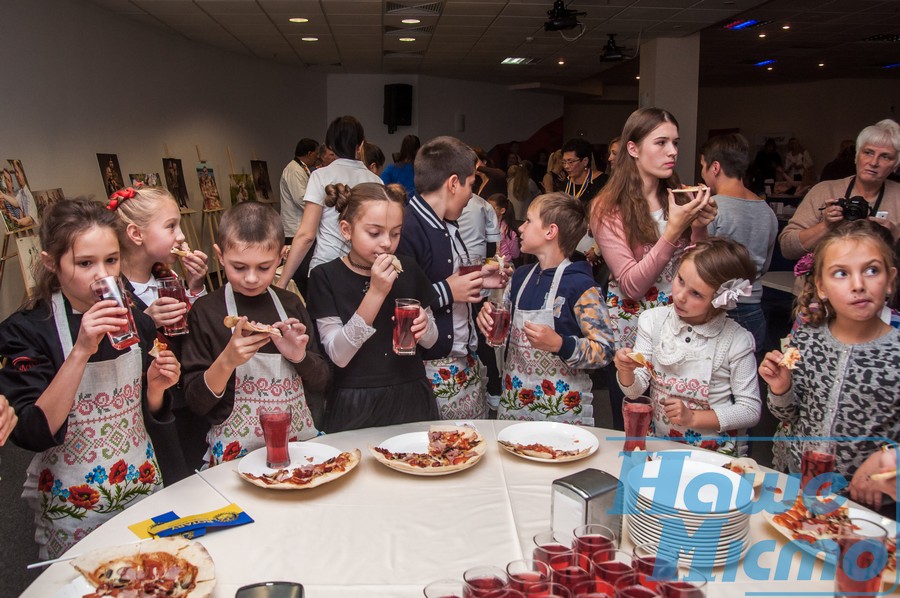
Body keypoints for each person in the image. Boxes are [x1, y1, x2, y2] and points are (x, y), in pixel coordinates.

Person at [0, 199, 179, 559]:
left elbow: (147, 411)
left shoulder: (138, 320)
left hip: (142, 483)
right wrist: (80, 350)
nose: (104, 276)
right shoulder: (25, 331)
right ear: (52, 263)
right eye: (85, 263)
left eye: (111, 260)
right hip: (75, 500)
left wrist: (158, 388)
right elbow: (33, 431)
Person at [591, 107, 716, 430]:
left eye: (675, 142)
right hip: (633, 336)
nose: (672, 151)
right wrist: (674, 230)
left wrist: (699, 227)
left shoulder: (678, 197)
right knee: (636, 427)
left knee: (680, 423)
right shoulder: (608, 207)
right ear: (633, 149)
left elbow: (699, 270)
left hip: (682, 327)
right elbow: (632, 285)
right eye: (661, 142)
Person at [182, 202, 330, 467]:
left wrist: (300, 357)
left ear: (282, 256)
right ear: (220, 256)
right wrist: (227, 361)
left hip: (298, 451)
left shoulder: (290, 304)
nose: (251, 278)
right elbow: (195, 402)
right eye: (239, 267)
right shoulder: (206, 311)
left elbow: (322, 382)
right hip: (233, 460)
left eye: (264, 268)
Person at [761, 220, 899, 494]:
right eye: (841, 274)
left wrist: (892, 460)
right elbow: (786, 414)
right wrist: (781, 387)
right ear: (821, 287)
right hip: (797, 486)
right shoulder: (804, 338)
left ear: (890, 281)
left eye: (872, 270)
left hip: (864, 503)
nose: (858, 284)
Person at [306, 183, 439, 431]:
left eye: (396, 233)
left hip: (411, 394)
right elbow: (339, 355)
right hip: (355, 401)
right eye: (374, 233)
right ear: (346, 230)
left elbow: (431, 341)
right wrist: (377, 292)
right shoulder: (325, 277)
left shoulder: (408, 268)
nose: (387, 243)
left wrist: (425, 325)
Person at [477, 192, 615, 424]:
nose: (521, 228)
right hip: (514, 406)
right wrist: (488, 318)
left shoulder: (581, 286)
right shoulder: (520, 277)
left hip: (562, 413)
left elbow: (604, 350)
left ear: (550, 231)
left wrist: (561, 344)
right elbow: (503, 329)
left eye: (529, 221)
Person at [615, 239, 762, 455]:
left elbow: (750, 410)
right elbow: (636, 390)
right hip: (661, 446)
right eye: (680, 280)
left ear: (721, 299)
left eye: (696, 294)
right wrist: (626, 371)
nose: (681, 296)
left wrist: (693, 418)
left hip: (714, 454)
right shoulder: (653, 321)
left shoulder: (736, 340)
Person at [111, 185, 210, 480]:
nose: (181, 235)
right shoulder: (113, 290)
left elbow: (196, 334)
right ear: (136, 234)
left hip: (185, 397)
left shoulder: (169, 278)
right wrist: (146, 320)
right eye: (171, 226)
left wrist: (194, 286)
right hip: (147, 405)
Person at [396, 136, 488, 419]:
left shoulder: (446, 223)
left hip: (460, 362)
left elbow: (449, 277)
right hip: (431, 367)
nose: (472, 194)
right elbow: (399, 300)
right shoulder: (408, 226)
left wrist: (482, 279)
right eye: (471, 184)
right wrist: (449, 290)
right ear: (453, 183)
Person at [277, 116, 383, 287]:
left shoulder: (320, 176)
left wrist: (282, 283)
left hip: (326, 269)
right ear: (361, 145)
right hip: (364, 271)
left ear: (330, 146)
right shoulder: (376, 181)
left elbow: (306, 236)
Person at [779, 119, 900, 262]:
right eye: (868, 152)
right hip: (820, 282)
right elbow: (787, 248)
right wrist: (826, 226)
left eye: (885, 156)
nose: (873, 162)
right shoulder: (824, 191)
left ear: (896, 165)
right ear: (856, 156)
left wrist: (896, 236)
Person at [701, 133, 778, 354]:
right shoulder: (767, 211)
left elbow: (701, 263)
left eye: (702, 166)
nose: (702, 173)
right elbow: (764, 266)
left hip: (718, 310)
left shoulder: (712, 208)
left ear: (715, 167)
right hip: (754, 308)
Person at [279, 138, 319, 294]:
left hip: (298, 225)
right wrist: (319, 208)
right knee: (297, 272)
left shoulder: (301, 168)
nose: (317, 157)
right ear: (309, 153)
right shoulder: (294, 170)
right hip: (293, 228)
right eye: (316, 154)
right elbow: (300, 198)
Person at [561, 138, 606, 206]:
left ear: (585, 161)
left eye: (570, 162)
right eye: (564, 162)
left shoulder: (602, 182)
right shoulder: (565, 182)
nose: (566, 166)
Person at [486, 193, 520, 263]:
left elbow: (515, 254)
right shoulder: (486, 225)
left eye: (491, 208)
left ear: (502, 211)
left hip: (504, 265)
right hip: (488, 262)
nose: (487, 211)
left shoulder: (508, 231)